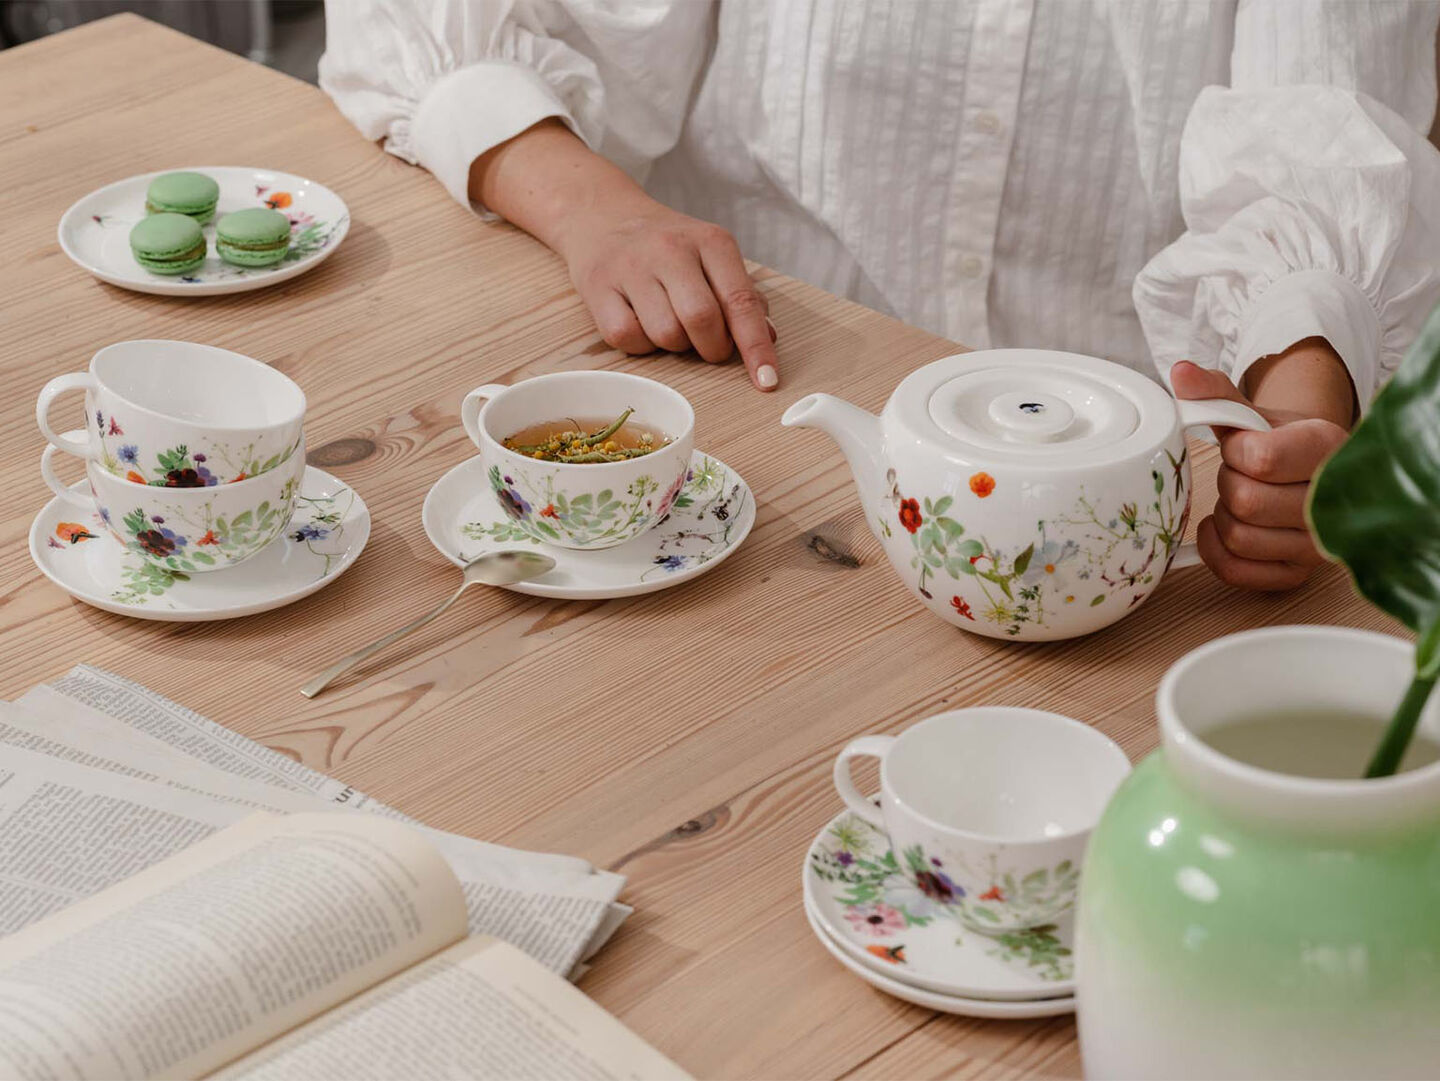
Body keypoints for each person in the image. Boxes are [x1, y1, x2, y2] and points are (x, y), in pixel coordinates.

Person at [320, 0, 1440, 591]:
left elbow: (1321, 141)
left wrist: (1302, 427)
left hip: (1131, 507)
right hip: (748, 414)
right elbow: (449, 24)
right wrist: (591, 206)